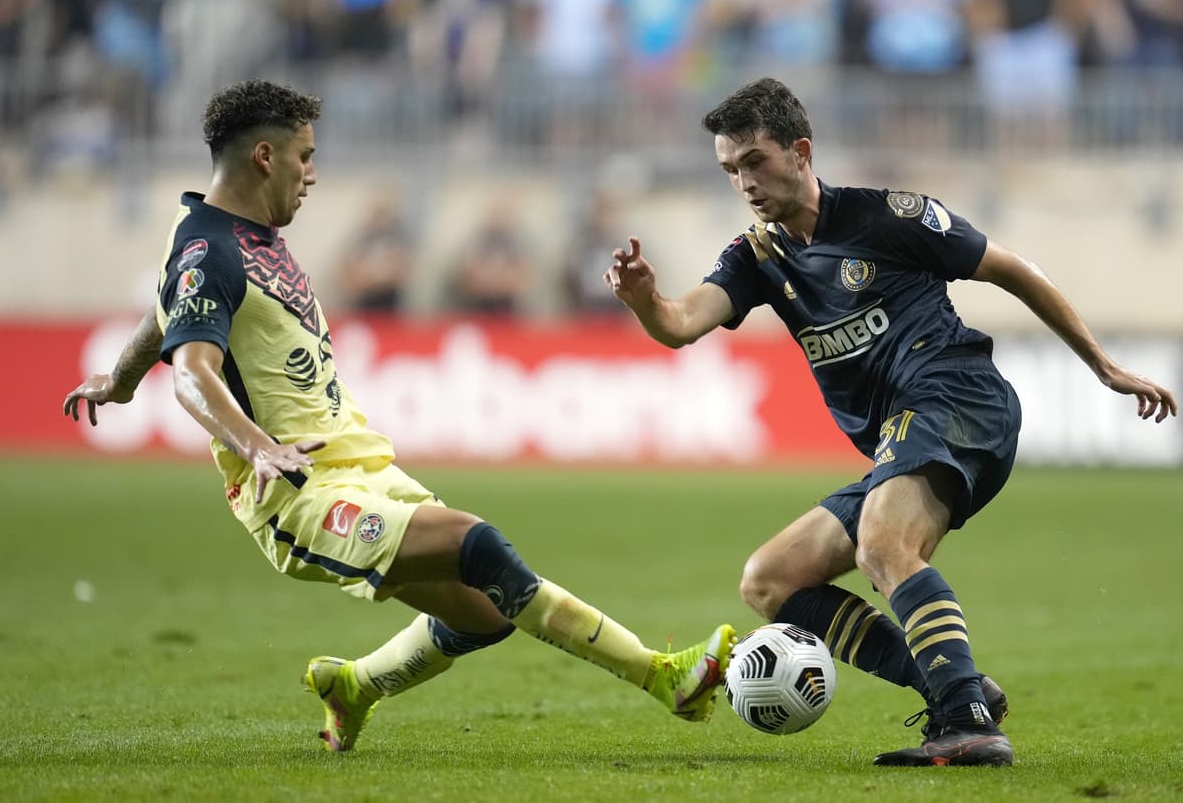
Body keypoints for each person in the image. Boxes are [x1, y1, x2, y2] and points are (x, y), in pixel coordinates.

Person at [62, 79, 734, 753]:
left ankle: (352, 686)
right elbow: (191, 371)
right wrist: (257, 445)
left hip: (359, 465)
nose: (312, 174)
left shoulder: (231, 238)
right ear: (264, 156)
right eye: (304, 157)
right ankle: (663, 677)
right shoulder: (210, 250)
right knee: (478, 545)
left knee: (487, 615)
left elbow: (168, 313)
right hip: (298, 492)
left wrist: (119, 380)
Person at [604, 77, 1177, 767]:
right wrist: (644, 300)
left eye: (755, 161)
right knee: (771, 579)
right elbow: (679, 323)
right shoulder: (758, 257)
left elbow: (1012, 269)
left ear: (800, 152)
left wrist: (1103, 365)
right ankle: (954, 687)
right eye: (730, 169)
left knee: (882, 542)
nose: (744, 182)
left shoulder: (887, 218)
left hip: (959, 396)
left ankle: (968, 724)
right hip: (902, 437)